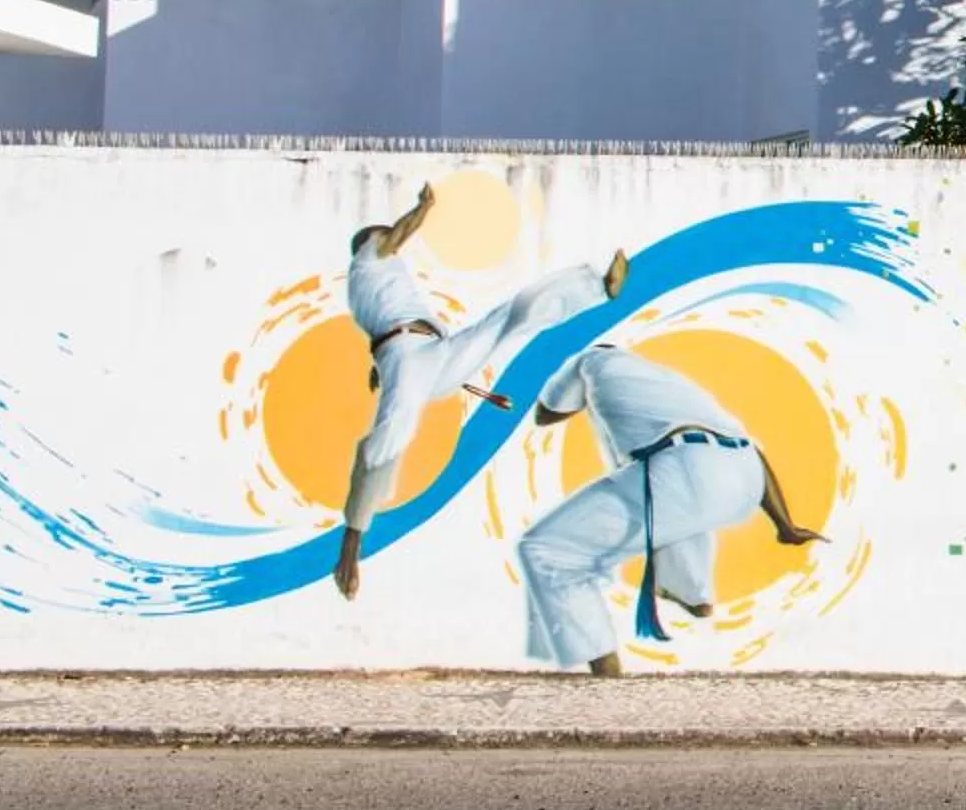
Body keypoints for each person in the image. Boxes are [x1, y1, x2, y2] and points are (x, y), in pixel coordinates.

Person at [332, 183, 627, 599]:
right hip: (412, 357)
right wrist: (423, 207)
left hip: (431, 354)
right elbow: (398, 238)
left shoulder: (369, 284)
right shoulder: (370, 257)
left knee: (507, 318)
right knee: (388, 437)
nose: (392, 242)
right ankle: (350, 545)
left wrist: (379, 368)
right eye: (384, 236)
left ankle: (596, 287)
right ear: (369, 242)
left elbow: (382, 330)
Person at [516, 343, 821, 676]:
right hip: (744, 476)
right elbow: (754, 452)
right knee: (676, 516)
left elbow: (544, 415)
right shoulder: (673, 386)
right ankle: (692, 593)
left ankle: (605, 674)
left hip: (683, 471)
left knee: (547, 549)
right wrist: (785, 525)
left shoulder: (590, 360)